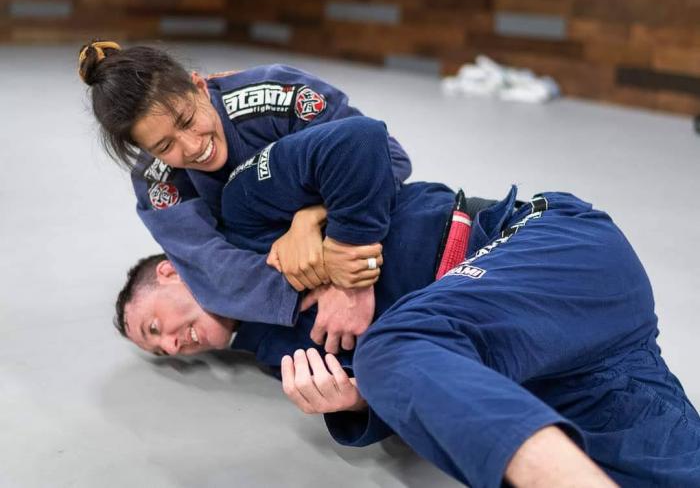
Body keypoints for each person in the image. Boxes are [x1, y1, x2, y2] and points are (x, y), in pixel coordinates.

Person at [115, 116, 700, 487]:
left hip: (550, 249)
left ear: (168, 271)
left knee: (392, 346)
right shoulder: (275, 355)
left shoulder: (243, 218)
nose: (173, 346)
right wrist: (355, 400)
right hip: (564, 359)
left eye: (154, 327)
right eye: (162, 352)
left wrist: (346, 265)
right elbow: (429, 388)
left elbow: (357, 140)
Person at [78, 39, 412, 349]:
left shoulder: (276, 94)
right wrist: (320, 283)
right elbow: (209, 266)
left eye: (188, 120)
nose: (192, 147)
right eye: (165, 147)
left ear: (199, 87)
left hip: (349, 225)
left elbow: (387, 157)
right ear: (148, 151)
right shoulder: (156, 182)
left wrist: (311, 221)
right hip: (277, 256)